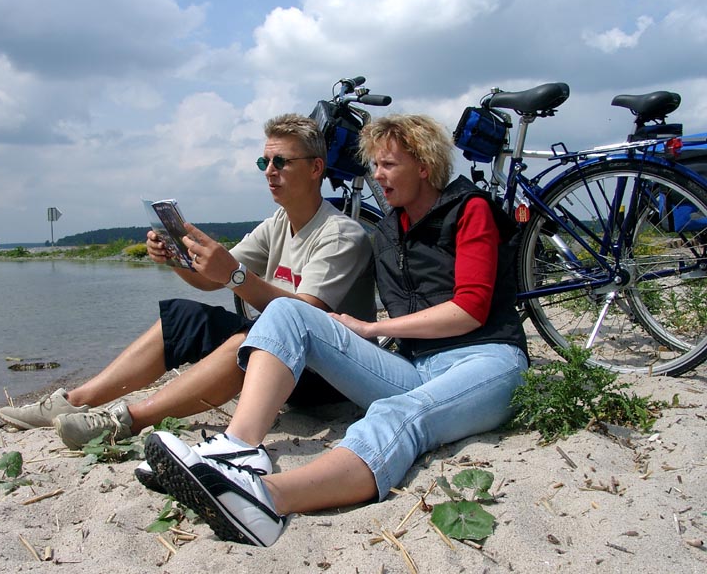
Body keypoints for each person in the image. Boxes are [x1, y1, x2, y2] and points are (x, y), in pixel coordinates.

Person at [141, 114, 529, 547]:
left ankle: (267, 500)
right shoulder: (386, 232)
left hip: (486, 358)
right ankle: (239, 448)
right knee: (289, 312)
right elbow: (267, 292)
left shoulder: (470, 210)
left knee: (398, 415)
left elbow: (471, 311)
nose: (377, 176)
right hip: (416, 366)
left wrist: (371, 326)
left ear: (424, 166)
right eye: (374, 165)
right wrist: (184, 257)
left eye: (389, 165)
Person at [0, 114, 376, 469]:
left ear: (315, 169)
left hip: (328, 377)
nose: (270, 173)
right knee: (183, 316)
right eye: (264, 164)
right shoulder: (278, 222)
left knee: (254, 337)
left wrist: (235, 276)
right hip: (282, 359)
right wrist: (178, 259)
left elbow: (304, 315)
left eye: (281, 163)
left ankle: (125, 421)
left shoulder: (341, 234)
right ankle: (73, 401)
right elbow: (212, 279)